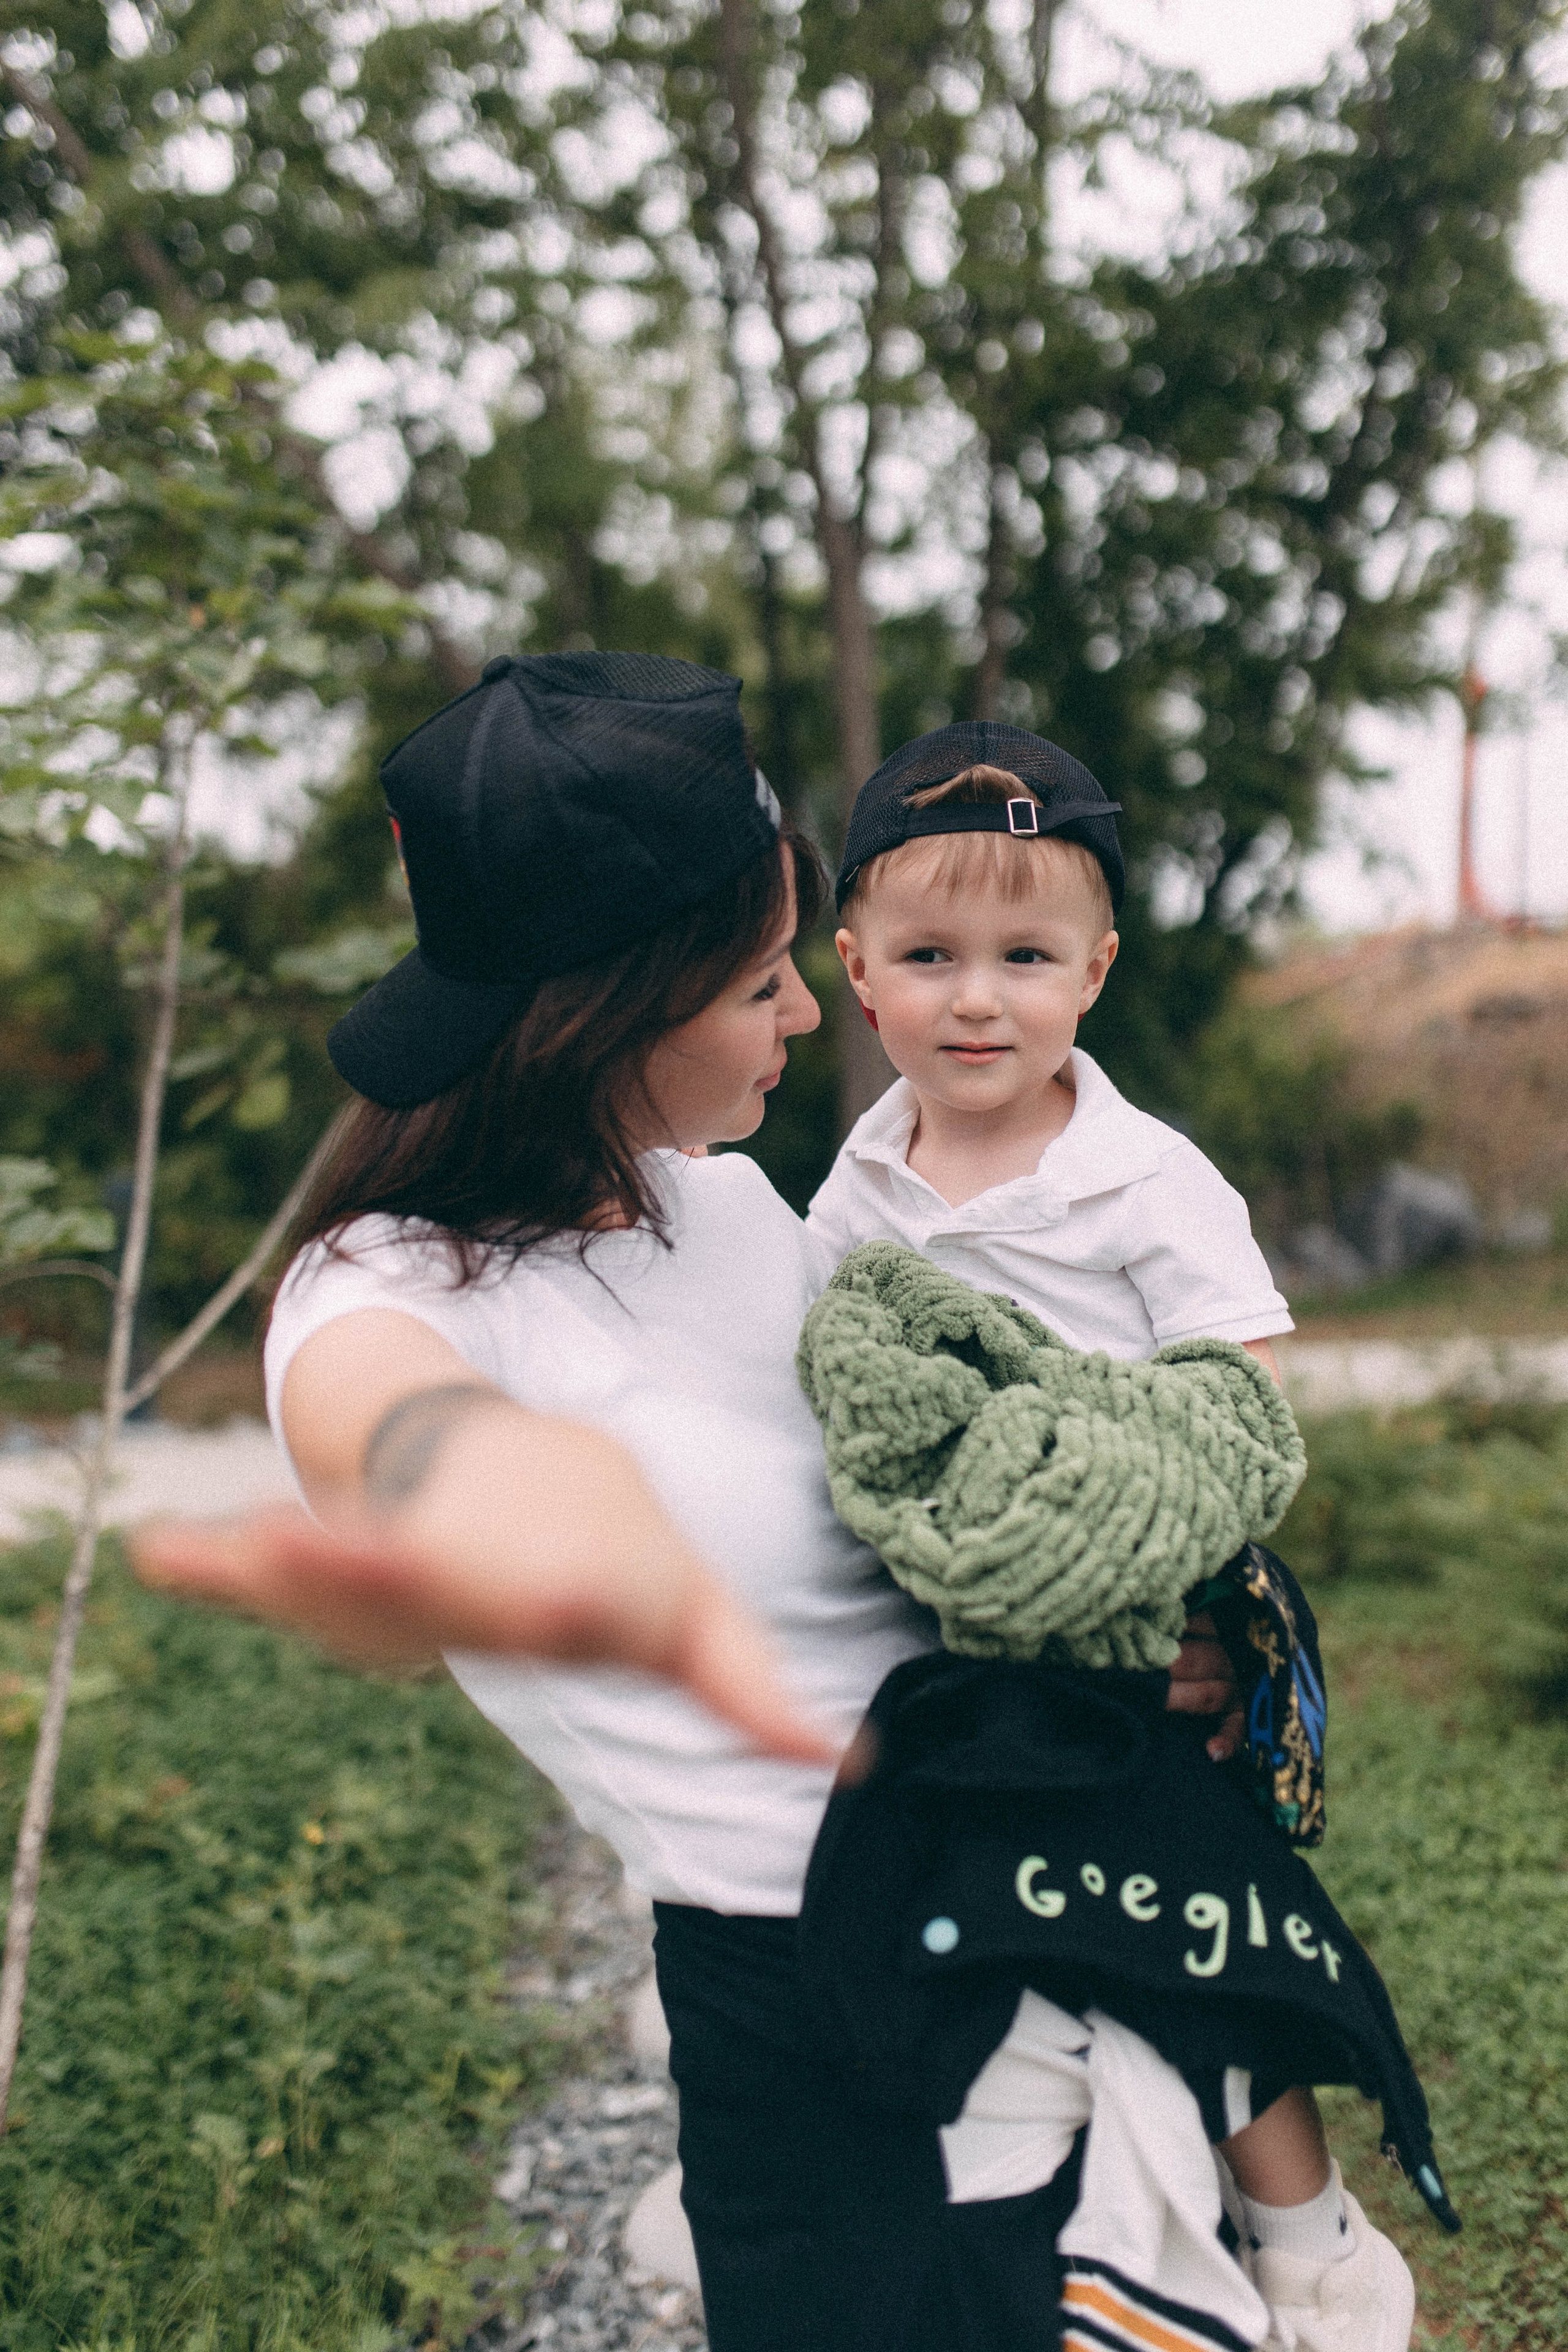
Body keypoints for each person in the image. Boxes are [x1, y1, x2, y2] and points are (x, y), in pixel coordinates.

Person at [133, 651, 1249, 2352]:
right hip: (824, 2018)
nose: (813, 1016)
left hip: (1050, 1893)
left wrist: (1114, 1634)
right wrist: (511, 1507)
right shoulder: (383, 1294)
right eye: (757, 984)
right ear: (601, 1014)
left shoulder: (727, 1212)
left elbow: (919, 1499)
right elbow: (412, 1433)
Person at [805, 723, 1418, 2352]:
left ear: (1096, 973)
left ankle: (1311, 2231)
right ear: (858, 972)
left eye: (1025, 956)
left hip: (1143, 1598)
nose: (978, 997)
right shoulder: (854, 1197)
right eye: (931, 956)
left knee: (1178, 1915)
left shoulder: (1146, 1182)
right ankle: (943, 2188)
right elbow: (853, 1399)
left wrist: (1117, 1527)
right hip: (952, 1622)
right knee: (943, 1913)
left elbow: (1242, 1403)